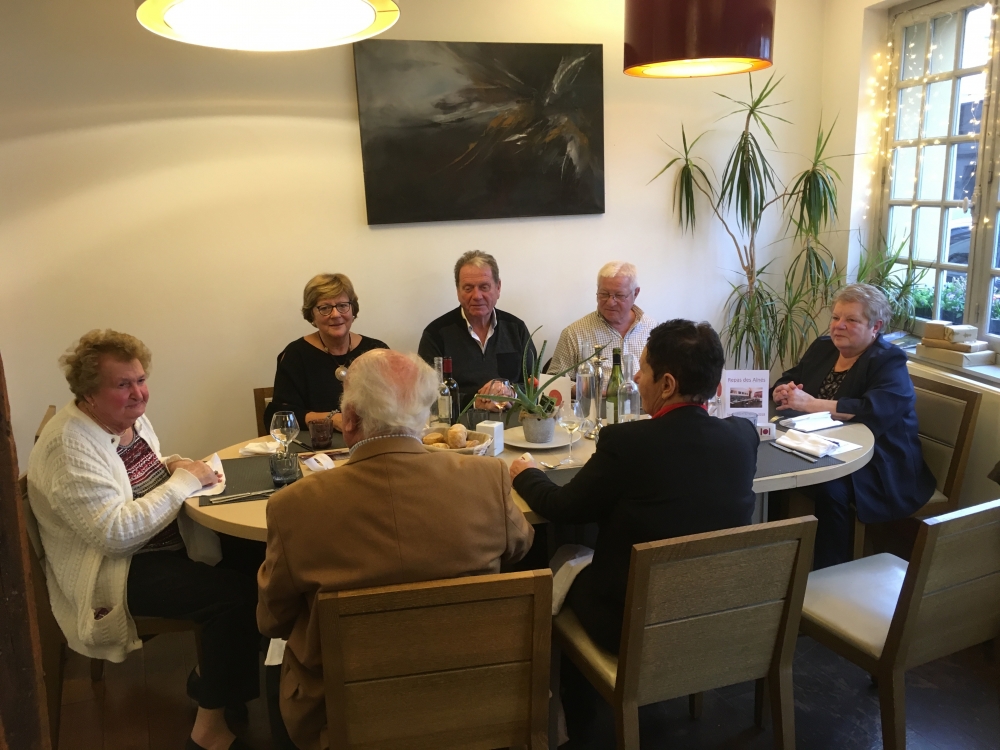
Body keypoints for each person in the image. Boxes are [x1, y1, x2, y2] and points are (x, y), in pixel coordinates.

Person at [257, 349, 534, 750]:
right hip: (474, 704)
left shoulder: (292, 507)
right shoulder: (488, 479)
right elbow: (520, 548)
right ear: (425, 418)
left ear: (350, 419)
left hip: (343, 717)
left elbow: (272, 621)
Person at [27, 330, 261, 750]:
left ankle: (214, 679)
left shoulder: (125, 419)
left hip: (157, 544)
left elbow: (138, 469)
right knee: (235, 596)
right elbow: (114, 536)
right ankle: (208, 731)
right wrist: (184, 482)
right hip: (114, 571)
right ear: (88, 394)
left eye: (140, 380)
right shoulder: (69, 446)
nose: (138, 393)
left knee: (262, 558)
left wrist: (175, 464)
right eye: (123, 384)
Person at [510, 319, 758, 654]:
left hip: (631, 625)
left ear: (667, 384)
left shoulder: (628, 442)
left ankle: (565, 685)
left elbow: (563, 508)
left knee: (561, 561)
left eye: (643, 369)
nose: (636, 378)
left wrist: (526, 474)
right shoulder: (743, 436)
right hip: (712, 614)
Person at [773, 283, 936, 569]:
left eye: (851, 320)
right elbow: (792, 376)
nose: (839, 326)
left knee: (830, 489)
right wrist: (783, 389)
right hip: (822, 444)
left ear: (876, 327)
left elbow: (872, 409)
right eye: (836, 317)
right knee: (776, 470)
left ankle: (830, 571)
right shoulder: (823, 348)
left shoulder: (889, 360)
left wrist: (811, 404)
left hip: (878, 459)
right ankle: (777, 558)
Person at [264, 273, 388, 433]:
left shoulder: (376, 351)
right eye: (325, 308)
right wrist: (331, 419)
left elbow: (396, 405)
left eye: (342, 305)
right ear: (312, 314)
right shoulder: (295, 355)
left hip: (372, 441)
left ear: (353, 309)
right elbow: (280, 417)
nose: (335, 314)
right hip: (316, 446)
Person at [417, 250, 536, 410]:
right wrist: (475, 401)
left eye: (484, 287)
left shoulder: (516, 329)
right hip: (460, 423)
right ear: (458, 291)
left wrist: (510, 392)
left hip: (512, 422)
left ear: (498, 288)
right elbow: (427, 394)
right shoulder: (436, 334)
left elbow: (536, 384)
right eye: (468, 288)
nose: (477, 296)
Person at [548, 261, 657, 378]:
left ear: (635, 293)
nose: (610, 302)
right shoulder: (573, 334)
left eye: (619, 295)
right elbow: (554, 382)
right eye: (604, 294)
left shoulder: (653, 330)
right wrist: (583, 387)